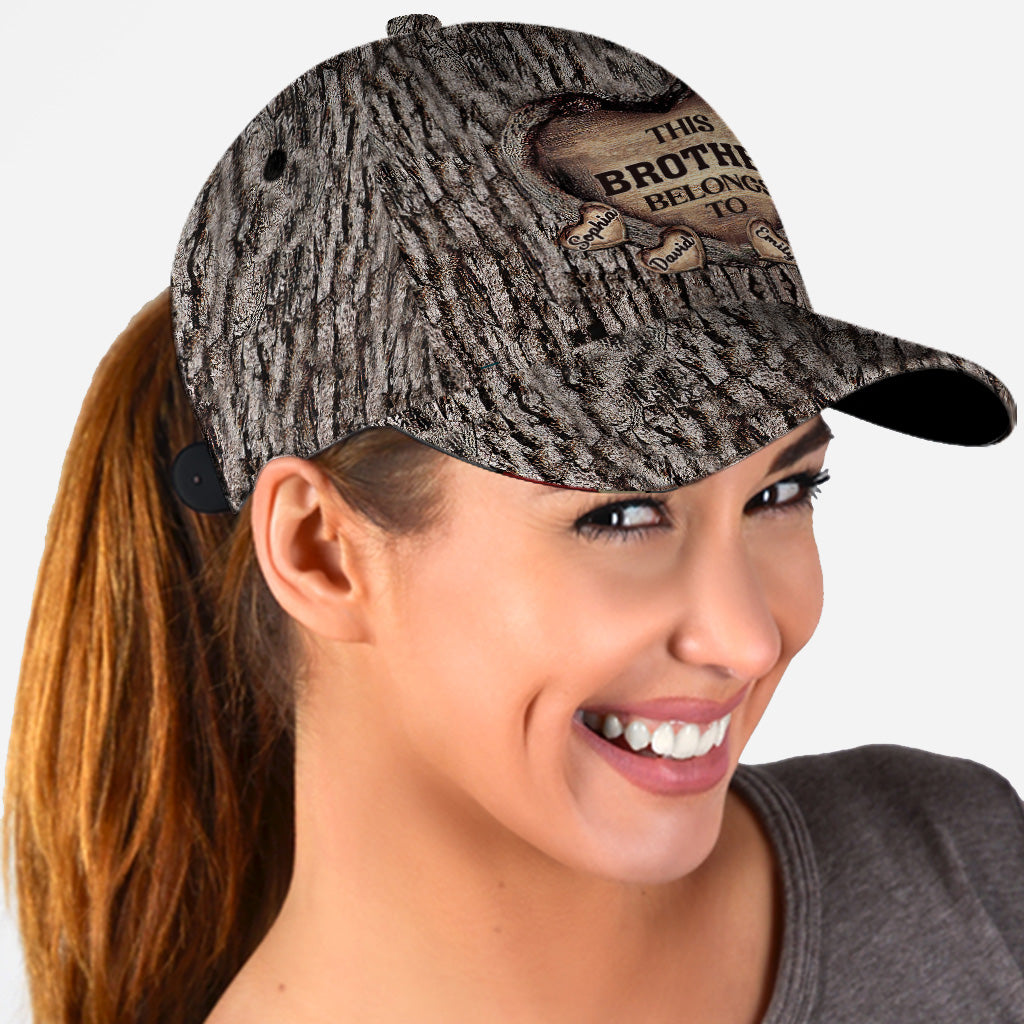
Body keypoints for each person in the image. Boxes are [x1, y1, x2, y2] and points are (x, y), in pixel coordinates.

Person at [3, 13, 1022, 1024]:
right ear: (320, 551)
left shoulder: (960, 870)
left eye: (780, 493)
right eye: (623, 513)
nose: (747, 637)